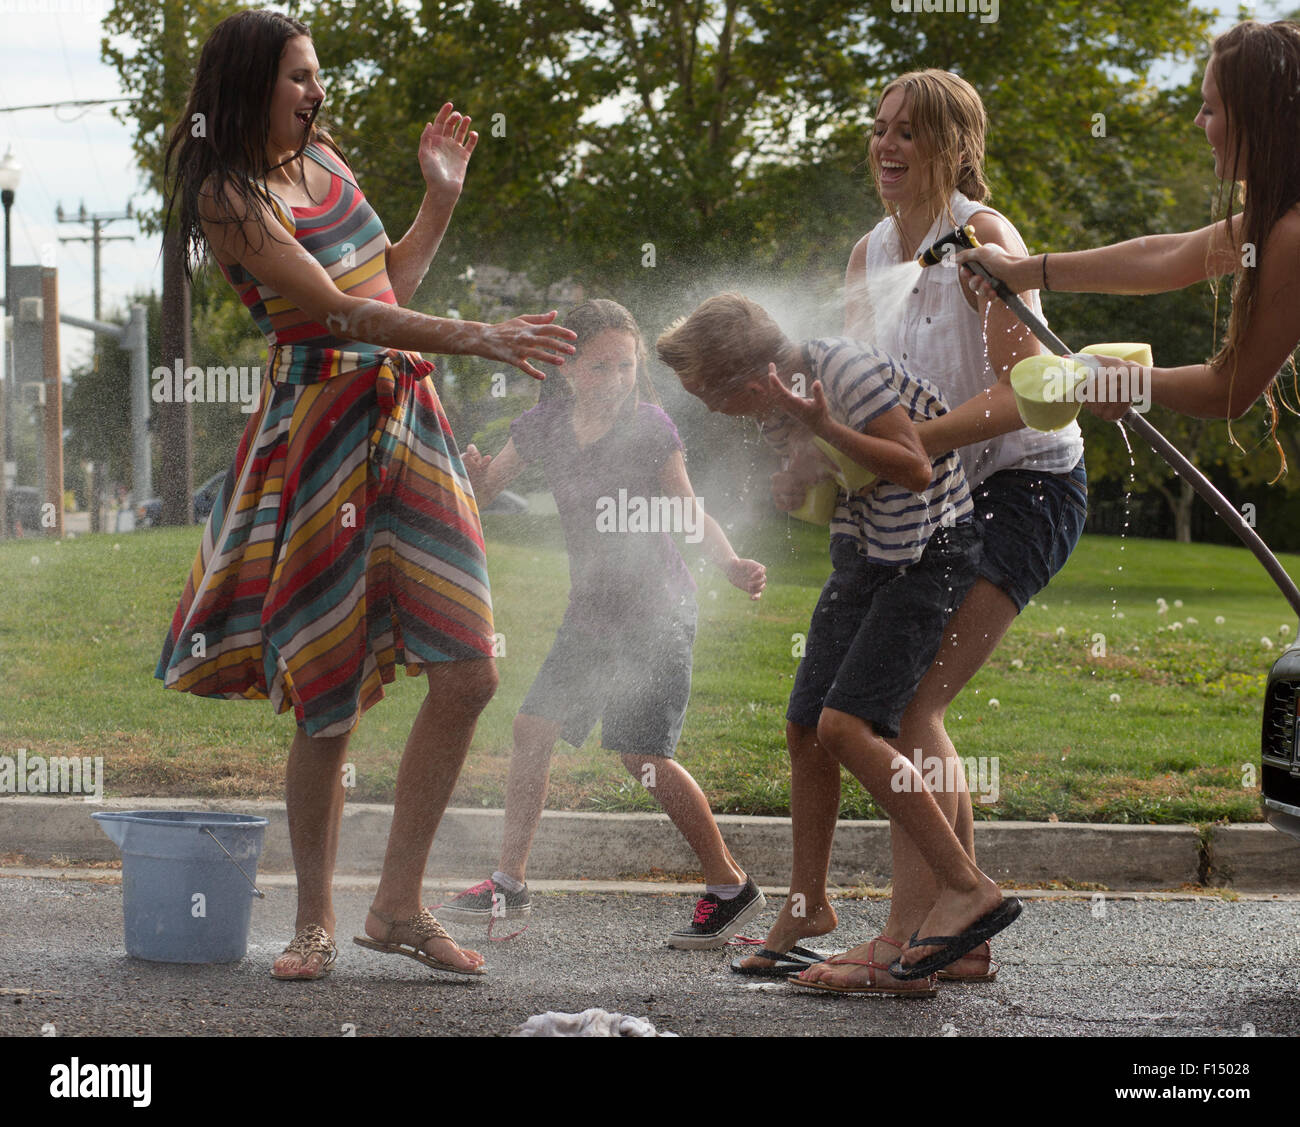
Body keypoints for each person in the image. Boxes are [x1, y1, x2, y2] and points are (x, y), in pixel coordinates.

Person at [155, 8, 576, 981]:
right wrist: (481, 336)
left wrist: (438, 200)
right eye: (299, 77)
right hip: (322, 439)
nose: (317, 91)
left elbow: (383, 286)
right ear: (252, 84)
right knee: (328, 697)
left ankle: (394, 903)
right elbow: (337, 312)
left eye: (317, 74)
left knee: (469, 668)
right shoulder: (231, 194)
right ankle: (313, 921)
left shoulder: (330, 167)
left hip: (408, 421)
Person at [740, 69, 1087, 990]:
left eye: (912, 133)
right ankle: (959, 938)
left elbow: (1026, 399)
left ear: (955, 147)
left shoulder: (983, 238)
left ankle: (903, 945)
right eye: (881, 129)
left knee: (907, 708)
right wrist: (813, 459)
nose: (888, 146)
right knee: (894, 709)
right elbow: (867, 390)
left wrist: (910, 446)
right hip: (939, 496)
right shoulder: (868, 256)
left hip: (1026, 488)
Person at [659, 293, 1023, 986]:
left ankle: (967, 886)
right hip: (865, 555)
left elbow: (914, 465)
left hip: (928, 555)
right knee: (804, 728)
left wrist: (821, 424)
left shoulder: (842, 371)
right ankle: (808, 906)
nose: (706, 407)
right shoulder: (775, 407)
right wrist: (799, 477)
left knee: (846, 726)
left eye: (708, 391)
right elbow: (841, 475)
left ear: (751, 377)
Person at [439, 298, 770, 948]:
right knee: (534, 726)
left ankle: (730, 884)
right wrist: (474, 479)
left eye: (625, 365)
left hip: (654, 614)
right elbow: (483, 491)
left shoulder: (649, 428)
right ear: (565, 368)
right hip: (591, 613)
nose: (615, 379)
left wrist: (728, 561)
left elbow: (689, 512)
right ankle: (509, 881)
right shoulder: (542, 425)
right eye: (600, 367)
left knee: (641, 755)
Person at [959, 20, 1300, 433]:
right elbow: (1164, 257)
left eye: (1210, 109)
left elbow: (1225, 392)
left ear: (1257, 119)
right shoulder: (1277, 222)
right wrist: (1019, 270)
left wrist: (1122, 379)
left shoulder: (1292, 234)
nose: (1196, 121)